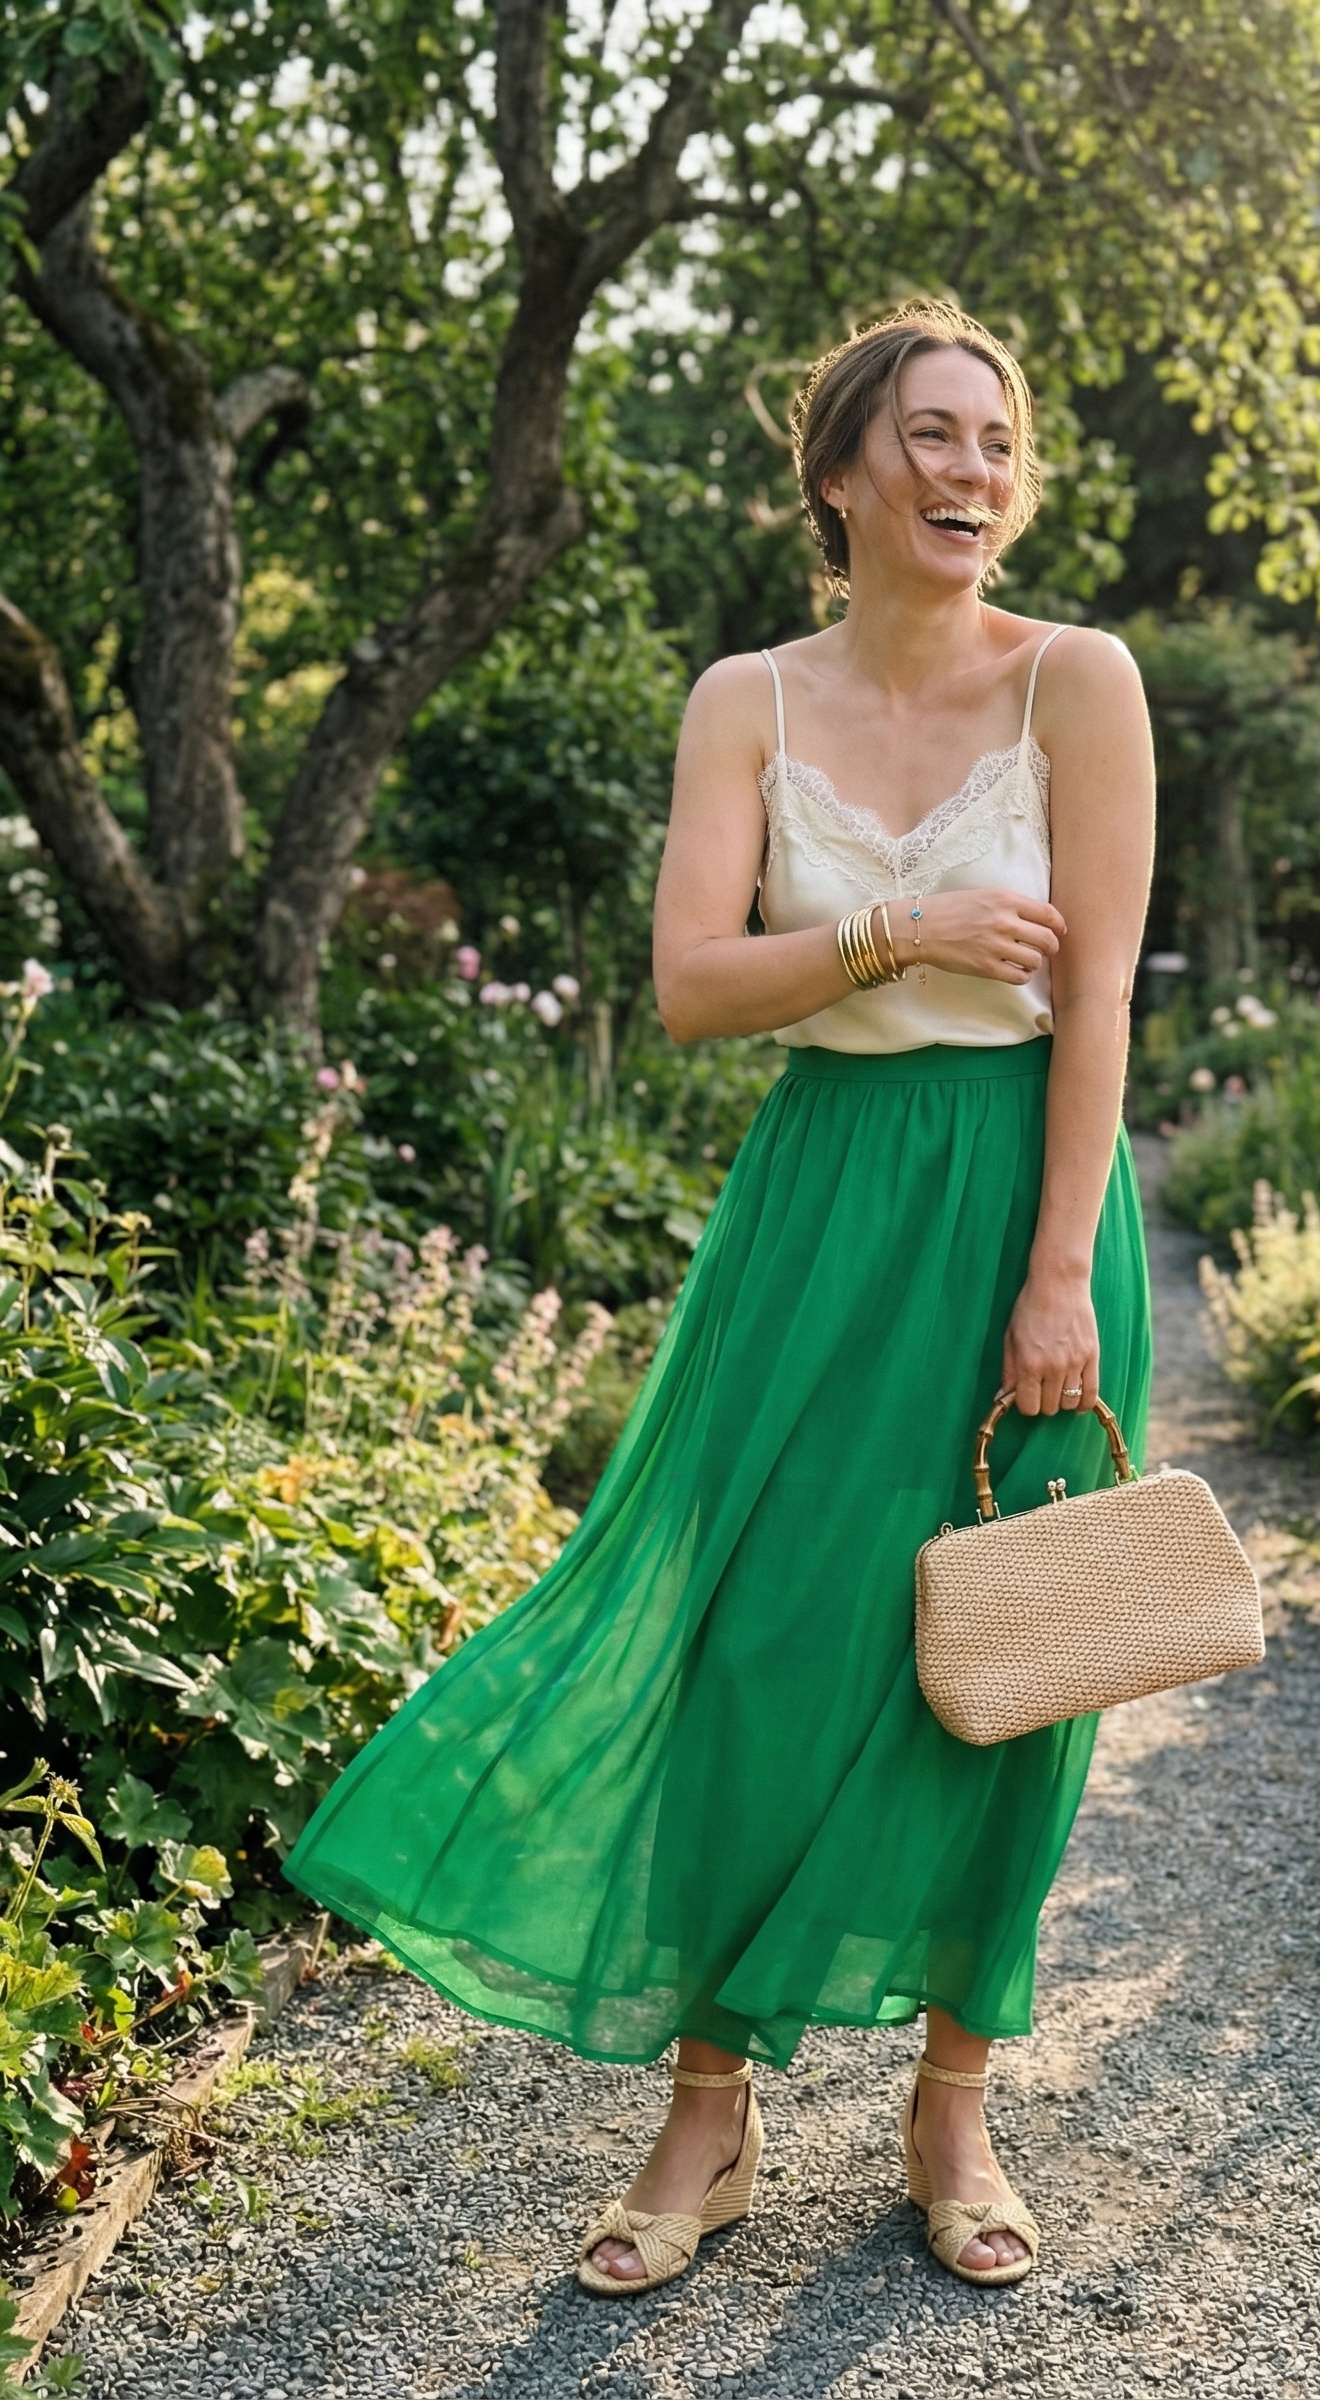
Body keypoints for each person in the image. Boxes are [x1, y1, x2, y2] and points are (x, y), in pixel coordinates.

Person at [283, 297, 1156, 2298]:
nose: (967, 470)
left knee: (1014, 1652)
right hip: (821, 1197)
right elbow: (690, 986)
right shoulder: (742, 699)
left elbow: (1093, 984)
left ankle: (955, 2102)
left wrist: (1053, 1270)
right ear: (843, 472)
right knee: (753, 1634)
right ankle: (709, 2102)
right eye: (927, 436)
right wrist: (891, 929)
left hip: (1023, 1187)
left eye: (992, 439)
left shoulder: (1077, 682)